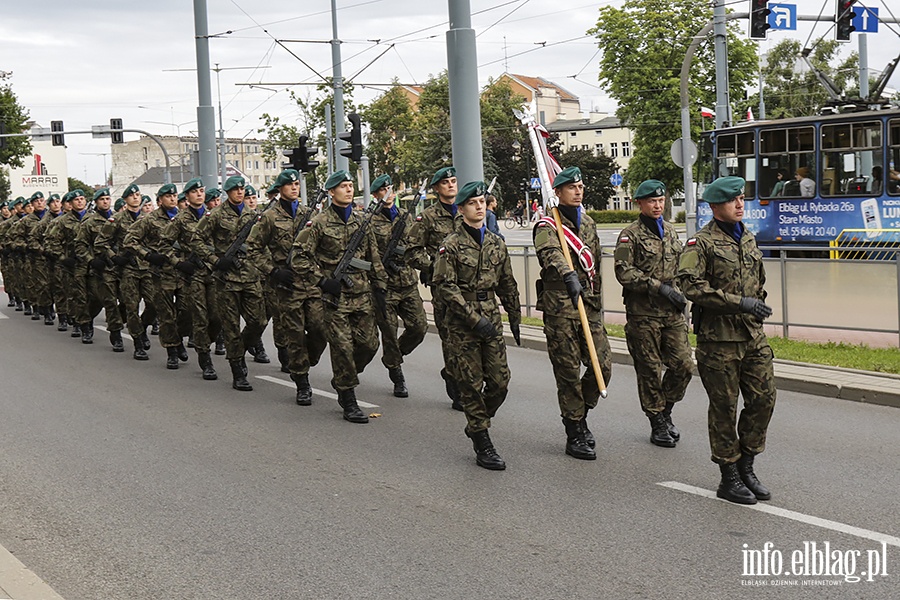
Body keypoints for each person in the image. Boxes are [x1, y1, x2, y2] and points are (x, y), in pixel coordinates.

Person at [677, 176, 776, 505]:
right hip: (718, 341)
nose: (739, 204)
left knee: (764, 399)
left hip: (751, 335)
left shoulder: (747, 237)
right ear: (715, 206)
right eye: (733, 200)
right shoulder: (700, 243)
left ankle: (747, 465)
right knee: (724, 408)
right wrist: (739, 303)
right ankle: (729, 476)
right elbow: (690, 286)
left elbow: (756, 279)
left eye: (742, 198)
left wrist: (756, 303)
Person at [432, 181, 521, 470]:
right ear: (461, 209)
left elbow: (507, 282)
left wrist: (515, 314)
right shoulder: (451, 245)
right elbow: (446, 288)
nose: (480, 206)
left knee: (499, 383)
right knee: (470, 384)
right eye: (472, 202)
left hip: (492, 318)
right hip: (462, 324)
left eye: (482, 201)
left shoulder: (496, 242)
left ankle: (478, 421)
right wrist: (473, 319)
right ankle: (482, 438)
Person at [291, 170, 388, 423]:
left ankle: (343, 378)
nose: (348, 189)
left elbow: (373, 258)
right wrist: (322, 280)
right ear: (331, 192)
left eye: (350, 185)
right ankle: (348, 397)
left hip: (362, 294)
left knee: (369, 345)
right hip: (334, 298)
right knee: (342, 348)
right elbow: (298, 257)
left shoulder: (361, 222)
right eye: (343, 186)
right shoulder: (319, 222)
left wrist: (380, 287)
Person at [534, 166, 612, 461]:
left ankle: (580, 413)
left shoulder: (589, 223)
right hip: (561, 309)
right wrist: (568, 274)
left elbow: (597, 269)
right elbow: (550, 253)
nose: (578, 191)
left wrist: (598, 306)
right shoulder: (546, 225)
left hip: (588, 306)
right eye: (572, 187)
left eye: (580, 186)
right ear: (558, 192)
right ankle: (574, 429)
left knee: (602, 368)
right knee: (568, 372)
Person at [614, 180, 693, 447]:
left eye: (661, 201)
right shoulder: (630, 235)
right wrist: (658, 288)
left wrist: (681, 292)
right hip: (643, 314)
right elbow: (623, 272)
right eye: (652, 201)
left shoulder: (671, 232)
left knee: (683, 364)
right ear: (640, 203)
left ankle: (666, 410)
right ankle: (657, 422)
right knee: (649, 370)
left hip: (671, 314)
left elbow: (682, 268)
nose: (657, 205)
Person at [247, 168, 327, 405]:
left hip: (311, 282)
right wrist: (273, 271)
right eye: (289, 185)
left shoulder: (309, 214)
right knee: (294, 335)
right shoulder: (269, 217)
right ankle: (302, 383)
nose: (294, 187)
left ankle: (306, 360)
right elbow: (252, 249)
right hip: (286, 284)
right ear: (280, 189)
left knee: (319, 329)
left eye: (296, 185)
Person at [194, 175, 268, 391]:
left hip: (251, 276)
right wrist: (215, 260)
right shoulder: (215, 215)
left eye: (242, 189)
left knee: (259, 322)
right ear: (228, 192)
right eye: (235, 189)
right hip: (226, 280)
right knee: (231, 327)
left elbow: (261, 245)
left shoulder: (253, 215)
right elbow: (196, 239)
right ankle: (238, 370)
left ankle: (240, 349)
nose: (240, 192)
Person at [407, 166, 464, 409]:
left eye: (453, 181)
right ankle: (456, 382)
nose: (451, 185)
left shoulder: (467, 211)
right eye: (446, 182)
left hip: (468, 284)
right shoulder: (427, 217)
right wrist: (431, 266)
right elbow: (412, 250)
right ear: (437, 188)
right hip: (442, 287)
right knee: (451, 336)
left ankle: (463, 375)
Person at [370, 174, 428, 398]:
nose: (388, 192)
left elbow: (415, 245)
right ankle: (396, 373)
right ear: (375, 195)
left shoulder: (406, 216)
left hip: (407, 281)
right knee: (390, 332)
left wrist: (425, 267)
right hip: (385, 285)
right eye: (382, 190)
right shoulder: (370, 221)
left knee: (419, 327)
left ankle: (394, 355)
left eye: (390, 188)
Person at [160, 177, 221, 381]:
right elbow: (164, 245)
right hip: (192, 274)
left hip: (213, 273)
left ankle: (195, 341)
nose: (199, 194)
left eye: (202, 191)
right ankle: (205, 359)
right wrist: (178, 262)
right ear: (187, 196)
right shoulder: (180, 220)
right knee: (199, 317)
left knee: (217, 317)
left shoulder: (214, 216)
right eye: (195, 192)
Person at [124, 183, 190, 369]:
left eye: (174, 195)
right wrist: (148, 255)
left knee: (187, 311)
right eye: (167, 196)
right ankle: (172, 350)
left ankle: (177, 340)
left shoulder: (185, 217)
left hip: (184, 272)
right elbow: (130, 240)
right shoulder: (150, 219)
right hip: (162, 274)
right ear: (159, 200)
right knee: (166, 315)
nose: (172, 199)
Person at [74, 188, 126, 352]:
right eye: (102, 199)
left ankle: (90, 319)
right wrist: (91, 260)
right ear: (96, 202)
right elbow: (80, 245)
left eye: (108, 198)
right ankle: (115, 334)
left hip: (121, 265)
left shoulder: (119, 219)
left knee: (126, 301)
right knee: (108, 301)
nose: (105, 201)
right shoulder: (89, 222)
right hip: (101, 267)